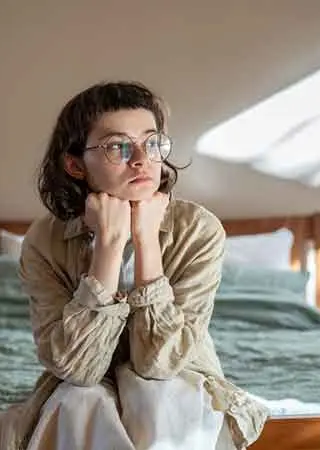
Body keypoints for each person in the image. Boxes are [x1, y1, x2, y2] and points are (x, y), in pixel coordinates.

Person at [14, 81, 269, 450]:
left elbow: (159, 365)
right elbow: (80, 369)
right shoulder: (44, 241)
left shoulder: (199, 230)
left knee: (163, 398)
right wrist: (110, 244)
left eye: (152, 143)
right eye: (117, 146)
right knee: (81, 401)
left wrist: (147, 240)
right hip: (81, 388)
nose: (141, 159)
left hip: (178, 381)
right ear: (74, 164)